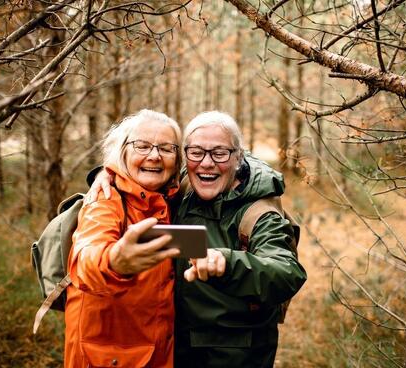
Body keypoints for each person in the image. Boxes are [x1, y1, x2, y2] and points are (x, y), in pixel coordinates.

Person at [91, 111, 307, 368]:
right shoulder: (181, 189)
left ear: (238, 157)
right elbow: (141, 170)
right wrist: (106, 175)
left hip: (234, 356)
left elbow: (287, 272)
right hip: (173, 349)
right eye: (196, 152)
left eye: (219, 153)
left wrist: (227, 262)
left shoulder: (259, 213)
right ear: (185, 157)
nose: (206, 163)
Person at [65, 109, 182, 368]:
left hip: (156, 352)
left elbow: (226, 155)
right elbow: (86, 258)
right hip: (106, 358)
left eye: (166, 148)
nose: (154, 155)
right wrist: (114, 262)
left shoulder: (173, 198)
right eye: (142, 146)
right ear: (123, 152)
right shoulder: (105, 200)